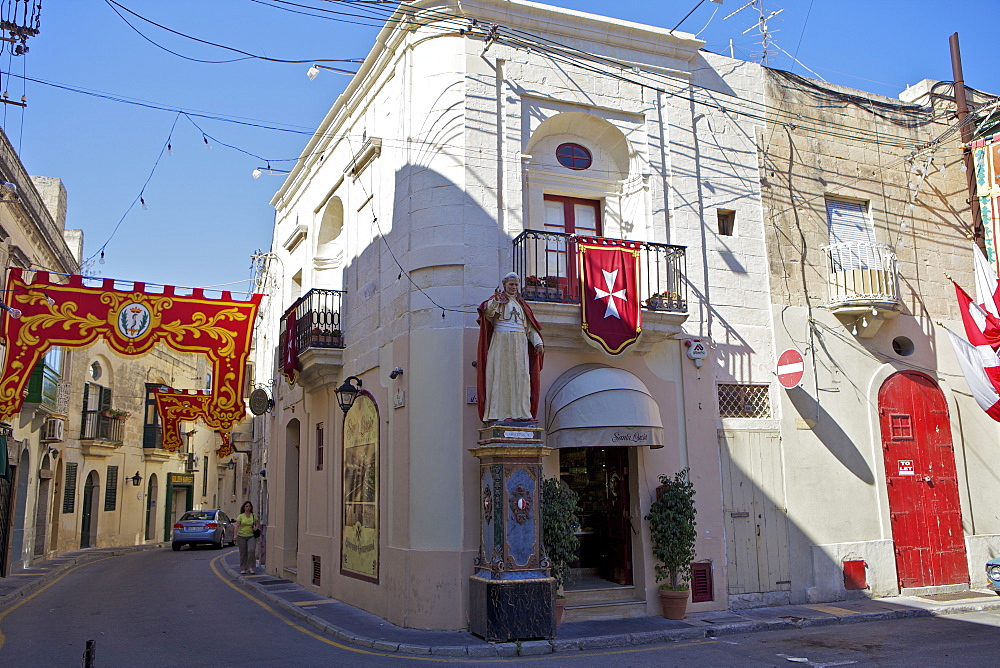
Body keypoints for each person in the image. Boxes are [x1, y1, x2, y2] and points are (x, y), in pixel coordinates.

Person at [476, 272, 544, 422]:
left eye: (516, 284)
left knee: (521, 377)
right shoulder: (497, 300)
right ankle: (497, 413)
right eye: (511, 284)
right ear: (504, 285)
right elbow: (488, 313)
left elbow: (529, 329)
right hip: (501, 343)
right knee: (500, 376)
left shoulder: (522, 305)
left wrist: (538, 342)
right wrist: (495, 300)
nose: (514, 287)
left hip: (520, 344)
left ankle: (521, 413)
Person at [235, 500, 260, 575]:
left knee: (251, 551)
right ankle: (243, 568)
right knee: (243, 553)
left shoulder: (253, 515)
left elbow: (257, 523)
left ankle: (250, 567)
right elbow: (237, 525)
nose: (248, 508)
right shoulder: (241, 516)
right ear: (244, 507)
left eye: (249, 506)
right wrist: (235, 535)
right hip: (241, 536)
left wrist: (256, 528)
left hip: (251, 536)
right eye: (246, 506)